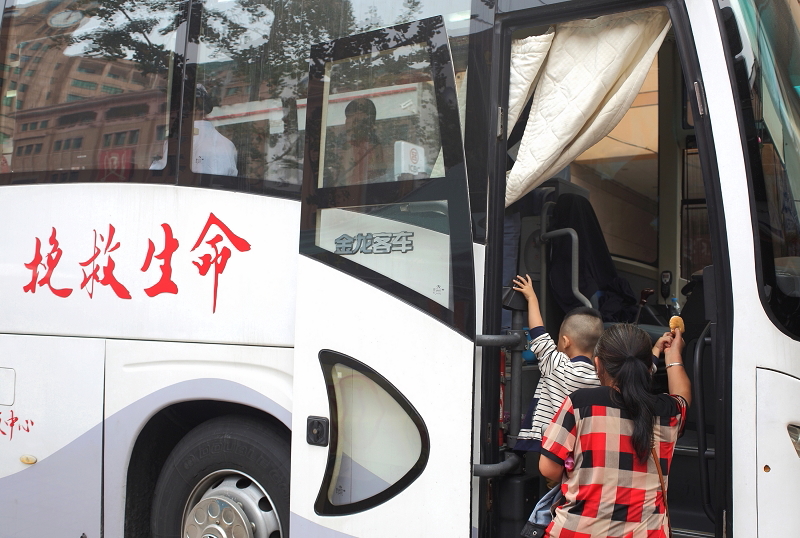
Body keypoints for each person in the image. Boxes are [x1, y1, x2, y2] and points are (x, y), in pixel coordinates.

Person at [537, 323, 691, 538]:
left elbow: (548, 469)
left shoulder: (580, 403)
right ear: (649, 368)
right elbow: (682, 396)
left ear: (598, 364)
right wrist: (673, 355)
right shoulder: (669, 412)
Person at [512, 274, 604, 460]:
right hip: (583, 446)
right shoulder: (602, 375)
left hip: (552, 444)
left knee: (552, 477)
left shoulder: (555, 364)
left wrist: (532, 298)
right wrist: (656, 351)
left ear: (565, 341)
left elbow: (538, 332)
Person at [330, 98, 387, 185]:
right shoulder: (344, 148)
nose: (349, 123)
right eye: (349, 118)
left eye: (357, 120)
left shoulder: (373, 148)